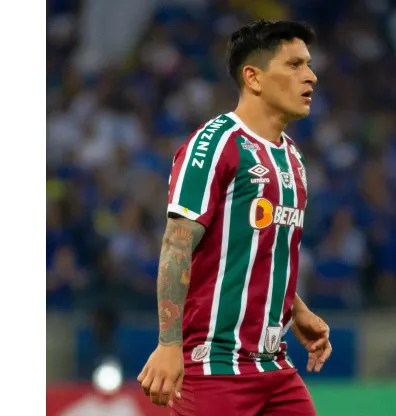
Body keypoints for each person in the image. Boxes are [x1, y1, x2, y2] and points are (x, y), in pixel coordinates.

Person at [137, 20, 330, 416]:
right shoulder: (215, 144)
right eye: (294, 65)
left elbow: (254, 252)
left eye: (308, 65)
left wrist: (297, 309)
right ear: (253, 77)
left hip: (274, 366)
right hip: (214, 366)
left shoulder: (292, 156)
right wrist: (169, 345)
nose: (310, 76)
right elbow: (176, 245)